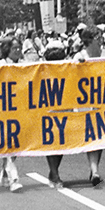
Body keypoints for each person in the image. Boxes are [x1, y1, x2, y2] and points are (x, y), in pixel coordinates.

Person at [73, 26, 105, 189]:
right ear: (89, 39)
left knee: (101, 137)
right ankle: (95, 170)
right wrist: (78, 66)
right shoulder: (79, 56)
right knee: (91, 136)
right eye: (97, 36)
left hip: (103, 100)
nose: (101, 38)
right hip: (86, 102)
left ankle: (94, 168)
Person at [0, 36, 25, 193]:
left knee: (14, 145)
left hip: (19, 108)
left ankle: (5, 175)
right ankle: (14, 179)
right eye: (14, 48)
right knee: (8, 145)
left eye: (19, 48)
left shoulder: (24, 65)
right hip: (2, 109)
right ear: (6, 50)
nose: (17, 51)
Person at [42, 39, 68, 188]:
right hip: (48, 107)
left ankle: (53, 172)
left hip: (64, 107)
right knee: (51, 141)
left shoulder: (68, 66)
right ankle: (55, 175)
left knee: (61, 142)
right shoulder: (40, 68)